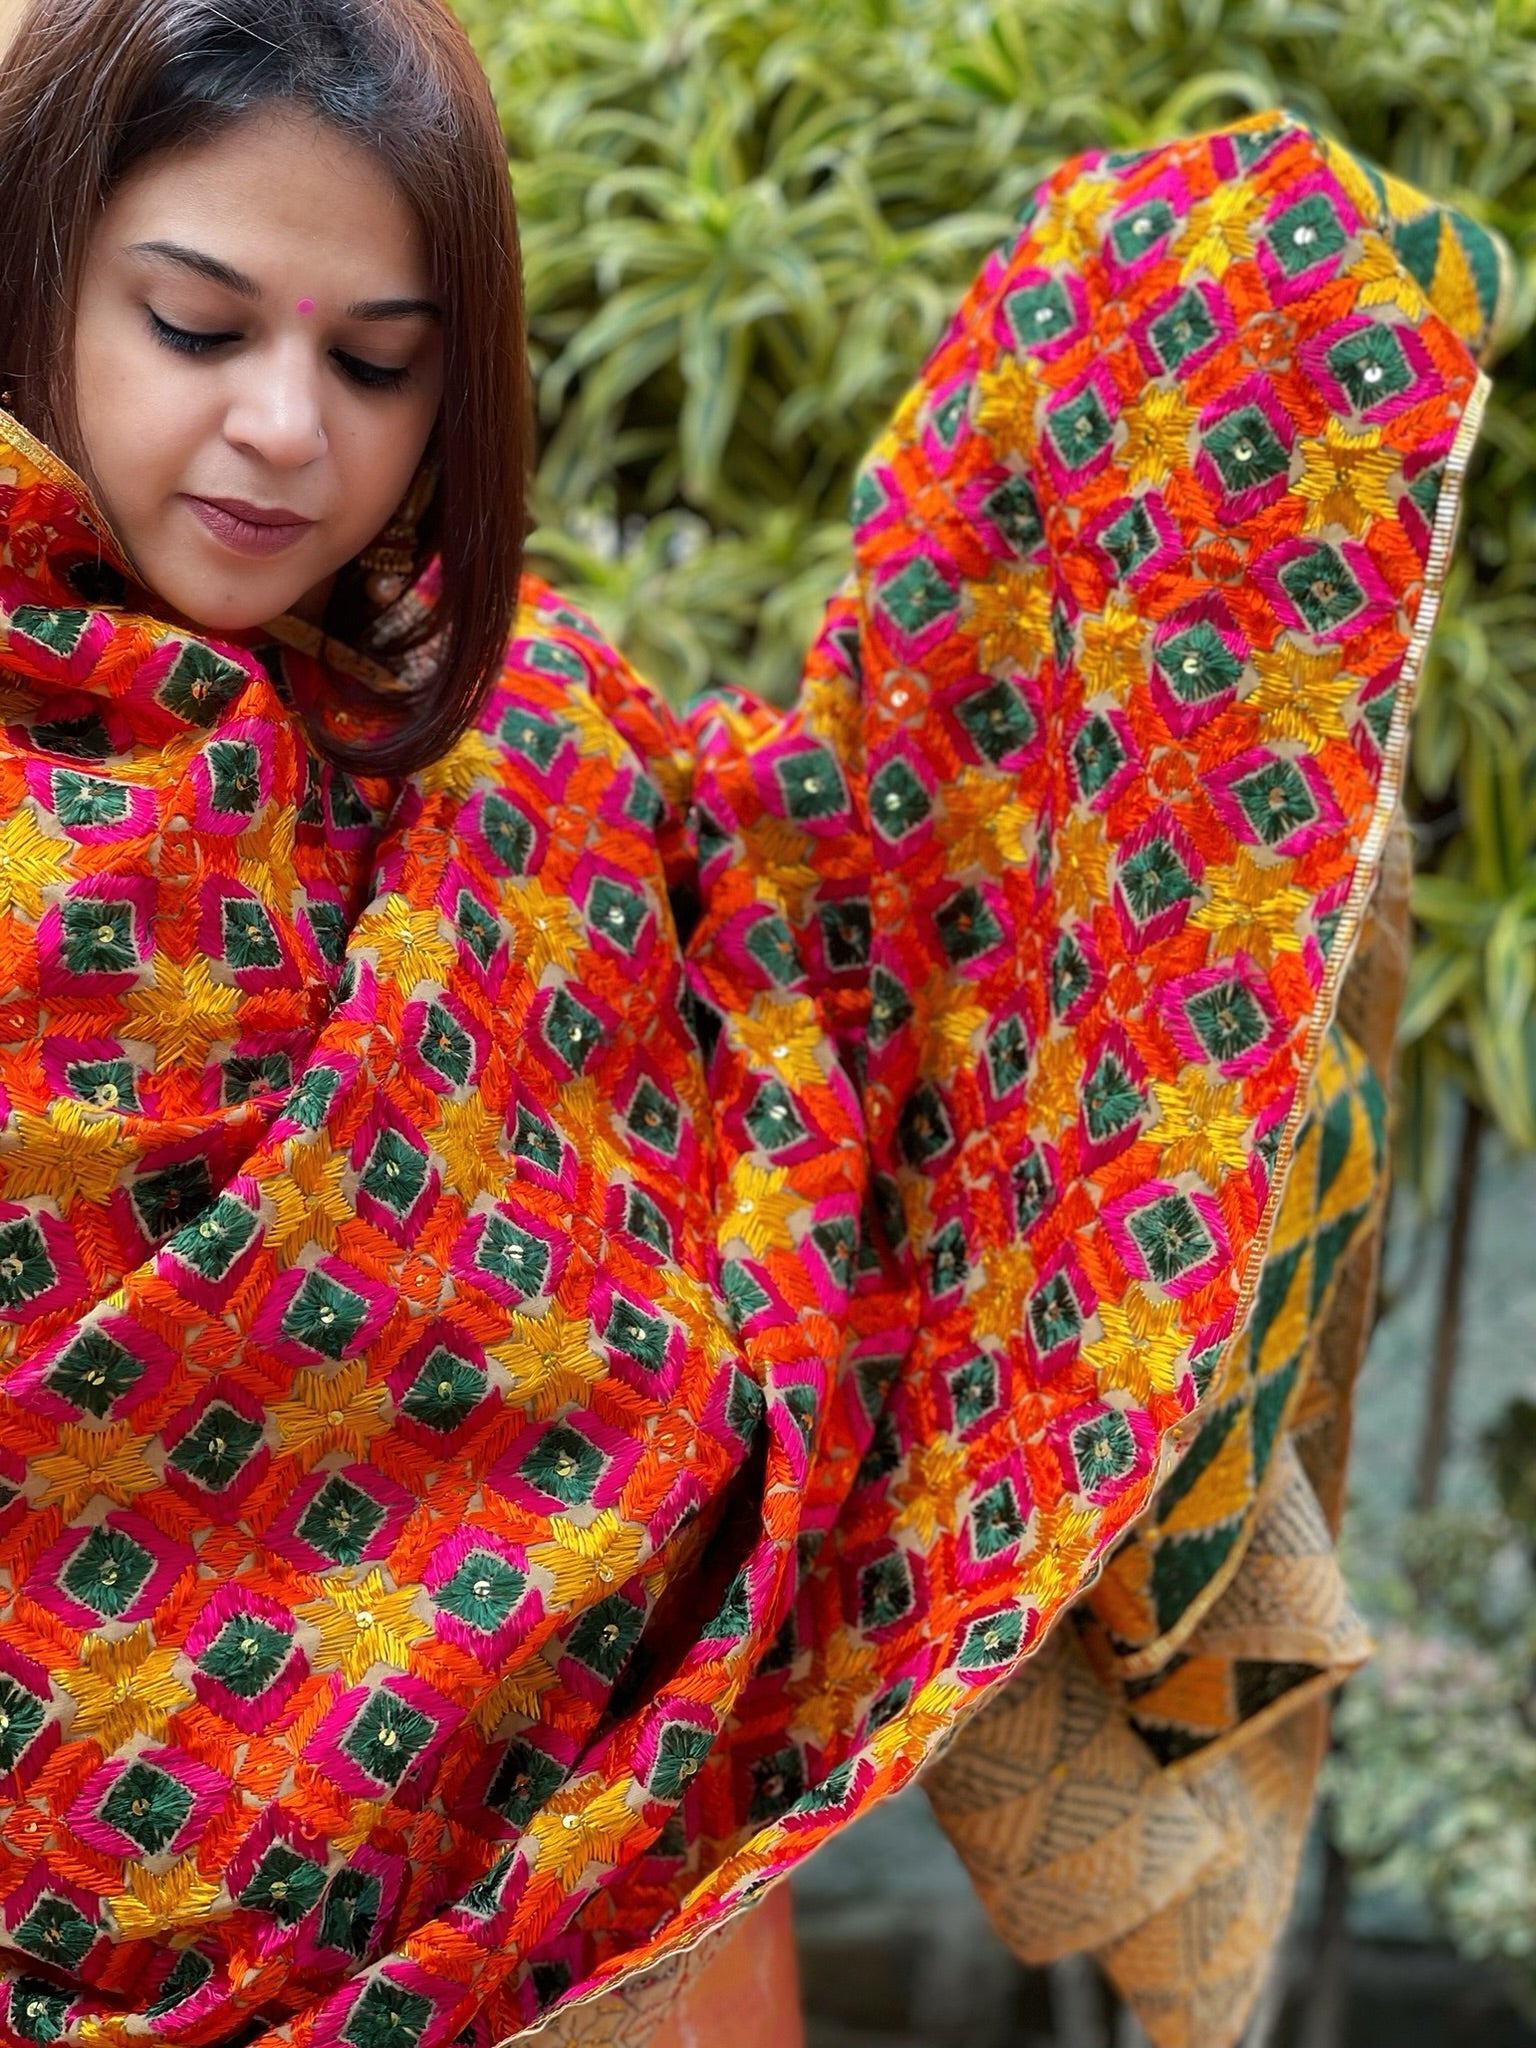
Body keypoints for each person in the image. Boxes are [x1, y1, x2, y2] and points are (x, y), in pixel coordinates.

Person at [0, 2, 1504, 2044]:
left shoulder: (506, 730)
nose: (286, 425)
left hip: (625, 1916)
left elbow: (843, 949)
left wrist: (1187, 352)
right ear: (30, 271)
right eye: (196, 325)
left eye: (377, 363)